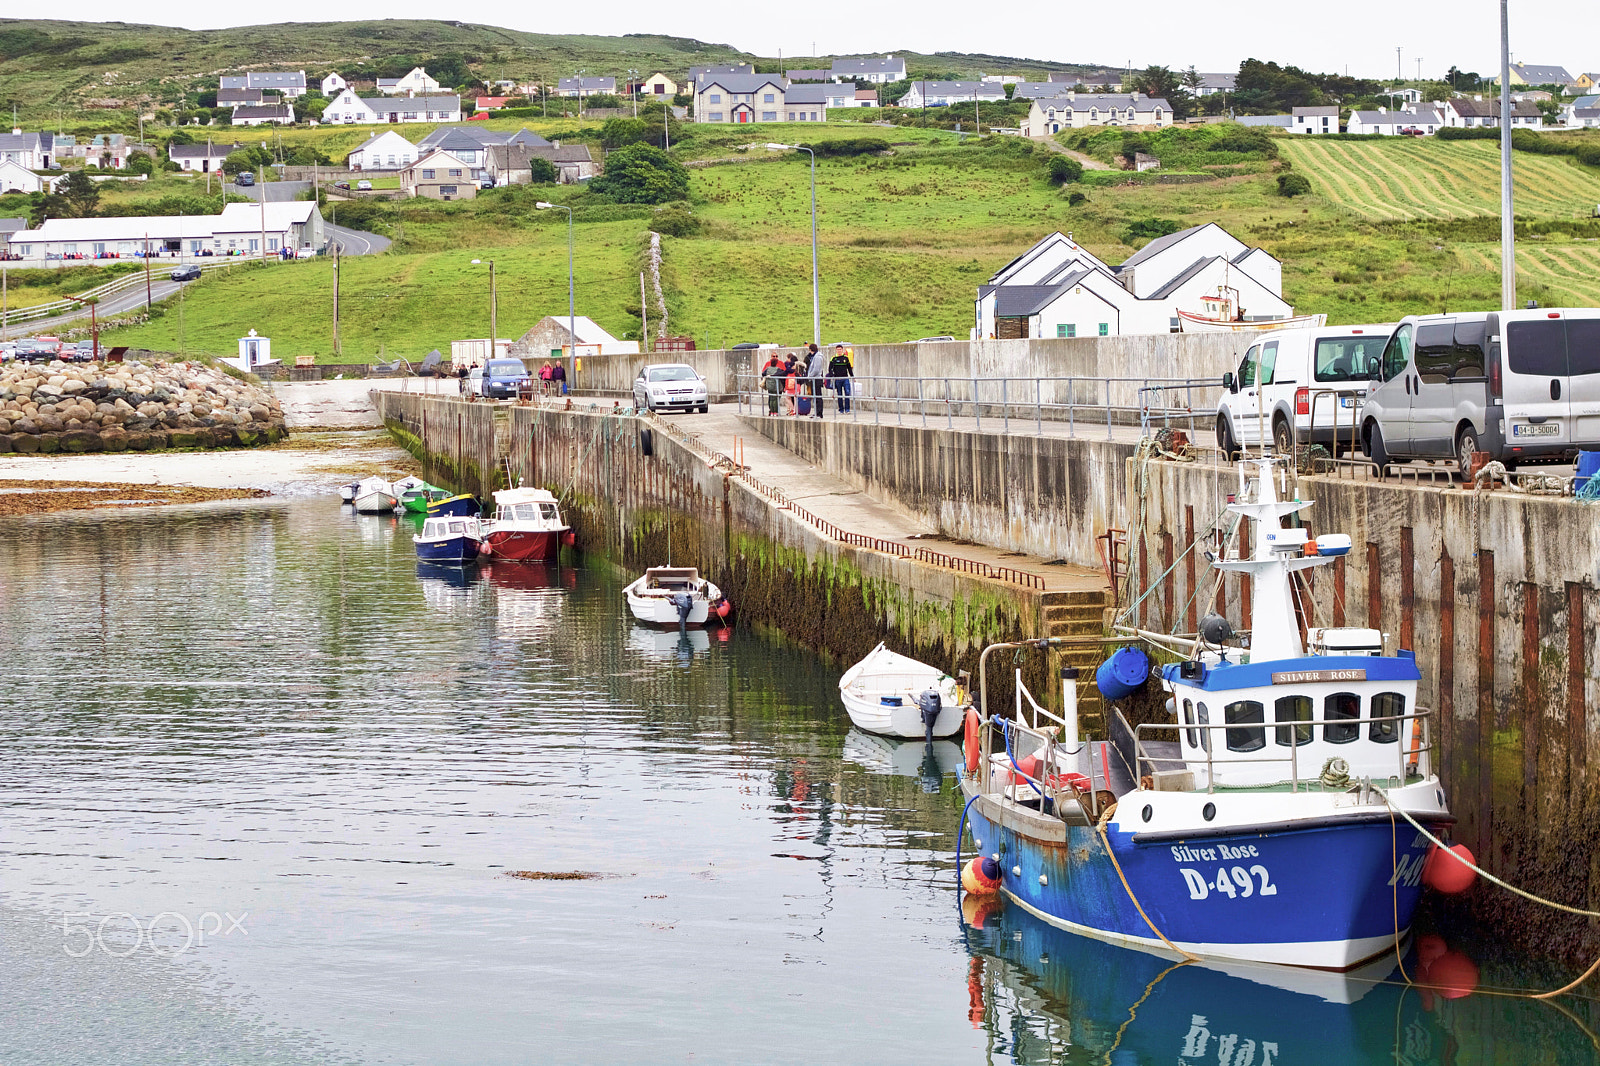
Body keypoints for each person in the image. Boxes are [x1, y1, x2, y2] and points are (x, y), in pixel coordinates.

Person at [827, 343, 854, 415]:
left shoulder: (846, 358)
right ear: (836, 350)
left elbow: (849, 368)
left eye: (840, 349)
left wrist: (852, 376)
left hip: (845, 378)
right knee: (839, 394)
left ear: (842, 350)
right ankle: (841, 409)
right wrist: (833, 376)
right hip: (838, 379)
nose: (839, 351)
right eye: (838, 350)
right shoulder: (833, 358)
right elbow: (830, 369)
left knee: (847, 393)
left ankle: (847, 409)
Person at [805, 343, 828, 419]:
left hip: (816, 379)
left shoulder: (817, 357)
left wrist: (810, 376)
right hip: (814, 378)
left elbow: (816, 369)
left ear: (811, 350)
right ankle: (816, 412)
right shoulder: (815, 356)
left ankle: (819, 413)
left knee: (818, 396)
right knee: (815, 397)